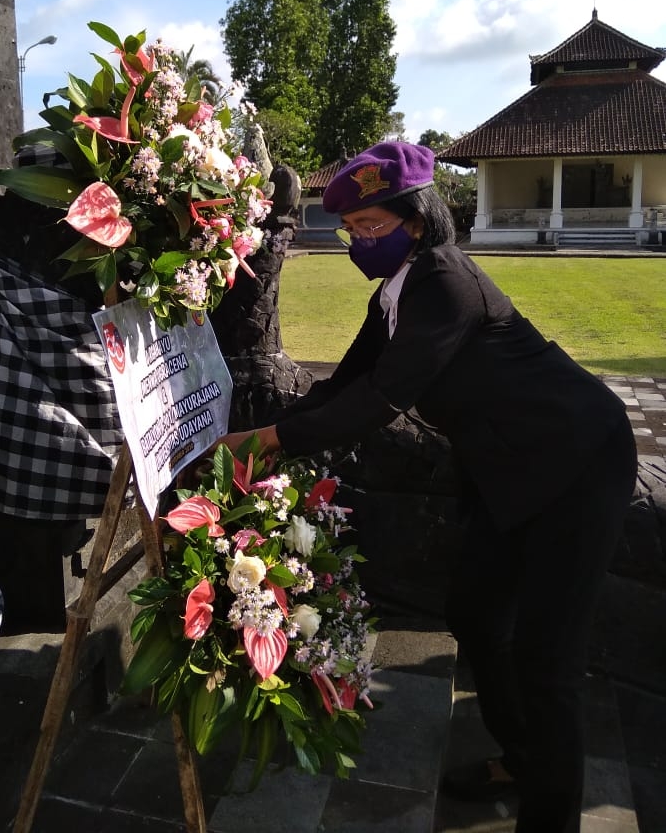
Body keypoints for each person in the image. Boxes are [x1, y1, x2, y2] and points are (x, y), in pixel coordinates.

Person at [219, 141, 637, 833]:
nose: (358, 241)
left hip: (577, 465)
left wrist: (264, 444)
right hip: (507, 469)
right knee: (472, 610)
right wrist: (272, 425)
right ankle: (523, 753)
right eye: (351, 230)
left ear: (417, 219)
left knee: (547, 661)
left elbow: (382, 397)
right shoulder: (399, 290)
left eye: (371, 228)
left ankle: (550, 815)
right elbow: (348, 378)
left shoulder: (443, 280)